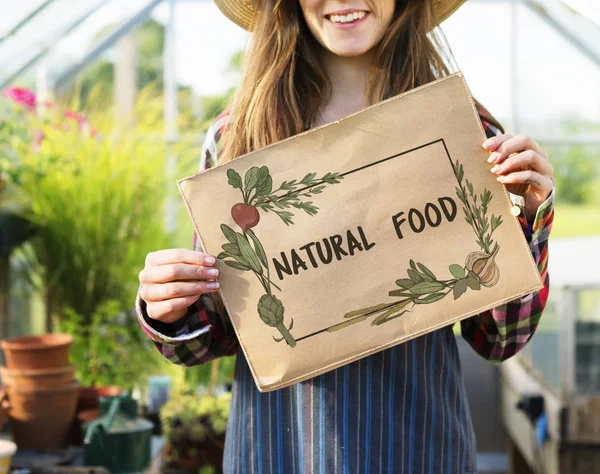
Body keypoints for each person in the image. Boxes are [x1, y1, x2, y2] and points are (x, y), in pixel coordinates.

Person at [136, 1, 554, 472]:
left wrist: (529, 219)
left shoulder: (463, 133)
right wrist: (169, 306)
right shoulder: (239, 138)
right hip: (281, 451)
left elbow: (498, 339)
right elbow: (215, 335)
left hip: (417, 449)